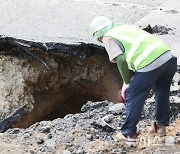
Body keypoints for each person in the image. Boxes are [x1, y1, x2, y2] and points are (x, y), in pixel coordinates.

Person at [90, 16, 177, 142]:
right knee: (162, 91)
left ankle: (127, 133)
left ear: (99, 37)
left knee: (132, 94)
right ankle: (160, 128)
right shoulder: (122, 28)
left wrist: (126, 82)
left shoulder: (108, 37)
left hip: (150, 62)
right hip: (169, 58)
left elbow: (120, 59)